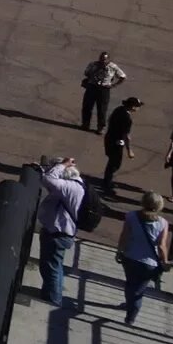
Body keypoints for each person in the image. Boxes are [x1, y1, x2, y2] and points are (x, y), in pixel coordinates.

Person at [36, 157, 85, 306]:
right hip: (63, 233)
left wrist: (62, 165)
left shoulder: (68, 187)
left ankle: (53, 300)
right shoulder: (78, 185)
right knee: (54, 266)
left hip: (58, 234)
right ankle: (49, 294)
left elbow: (49, 179)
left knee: (52, 269)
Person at [116, 191, 170, 326]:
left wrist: (119, 251)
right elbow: (162, 246)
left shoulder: (131, 216)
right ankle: (130, 317)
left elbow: (124, 236)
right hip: (149, 263)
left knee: (130, 284)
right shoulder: (163, 223)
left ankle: (129, 305)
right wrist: (165, 261)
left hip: (130, 257)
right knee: (138, 290)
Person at [103, 96, 142, 193]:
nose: (138, 108)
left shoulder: (118, 109)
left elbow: (109, 119)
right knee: (115, 164)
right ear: (133, 107)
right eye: (138, 106)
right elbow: (126, 136)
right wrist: (129, 151)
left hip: (109, 138)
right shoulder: (127, 119)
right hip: (117, 142)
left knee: (112, 161)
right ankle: (107, 184)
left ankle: (107, 180)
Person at [81, 52, 127, 132]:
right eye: (101, 58)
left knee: (102, 109)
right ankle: (85, 124)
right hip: (92, 87)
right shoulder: (93, 64)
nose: (102, 61)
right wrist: (92, 74)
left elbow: (123, 77)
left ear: (108, 59)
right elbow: (86, 73)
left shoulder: (113, 67)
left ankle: (100, 127)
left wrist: (113, 85)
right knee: (87, 106)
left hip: (104, 89)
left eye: (105, 59)